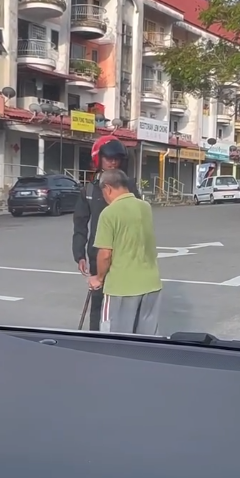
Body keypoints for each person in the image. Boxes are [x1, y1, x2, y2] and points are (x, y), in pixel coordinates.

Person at [72, 136, 140, 330]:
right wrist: (79, 255)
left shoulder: (130, 188)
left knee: (124, 305)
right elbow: (80, 224)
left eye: (117, 158)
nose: (113, 162)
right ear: (98, 159)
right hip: (98, 255)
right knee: (98, 305)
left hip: (125, 256)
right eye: (108, 158)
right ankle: (96, 339)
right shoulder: (89, 190)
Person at [88, 169, 162, 335]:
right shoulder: (145, 207)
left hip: (121, 287)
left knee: (115, 339)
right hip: (151, 284)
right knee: (146, 339)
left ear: (107, 188)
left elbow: (105, 254)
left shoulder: (109, 213)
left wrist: (98, 278)